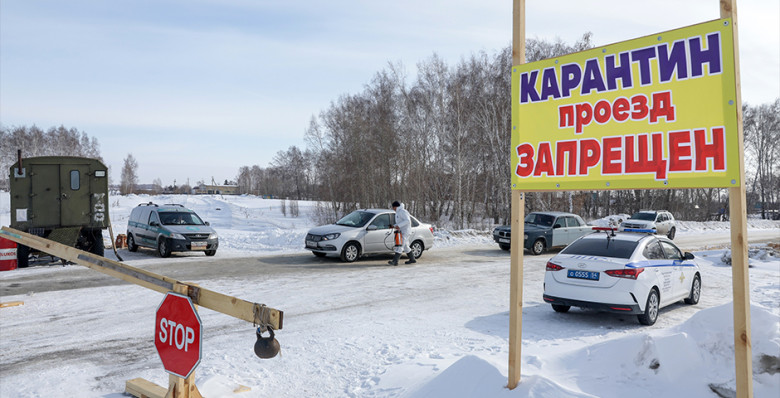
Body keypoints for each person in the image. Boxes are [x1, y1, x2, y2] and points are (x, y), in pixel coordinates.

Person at [388, 201, 416, 266]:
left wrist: (399, 226)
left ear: (395, 207)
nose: (393, 209)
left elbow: (407, 220)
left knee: (400, 246)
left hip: (405, 231)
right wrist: (393, 226)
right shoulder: (398, 213)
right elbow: (400, 222)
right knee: (405, 246)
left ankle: (395, 261)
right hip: (402, 231)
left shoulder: (403, 212)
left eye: (393, 207)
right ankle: (412, 259)